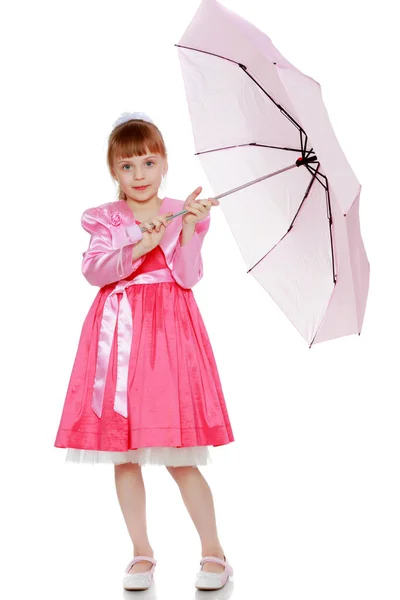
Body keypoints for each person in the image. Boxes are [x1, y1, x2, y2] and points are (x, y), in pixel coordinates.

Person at [53, 112, 234, 591]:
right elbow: (94, 272)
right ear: (114, 170)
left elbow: (189, 277)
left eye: (148, 162)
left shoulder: (181, 210)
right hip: (119, 338)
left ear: (164, 163)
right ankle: (141, 552)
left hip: (169, 336)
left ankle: (214, 551)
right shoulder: (106, 218)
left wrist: (189, 231)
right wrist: (137, 246)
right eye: (128, 166)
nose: (139, 175)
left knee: (179, 454)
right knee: (125, 453)